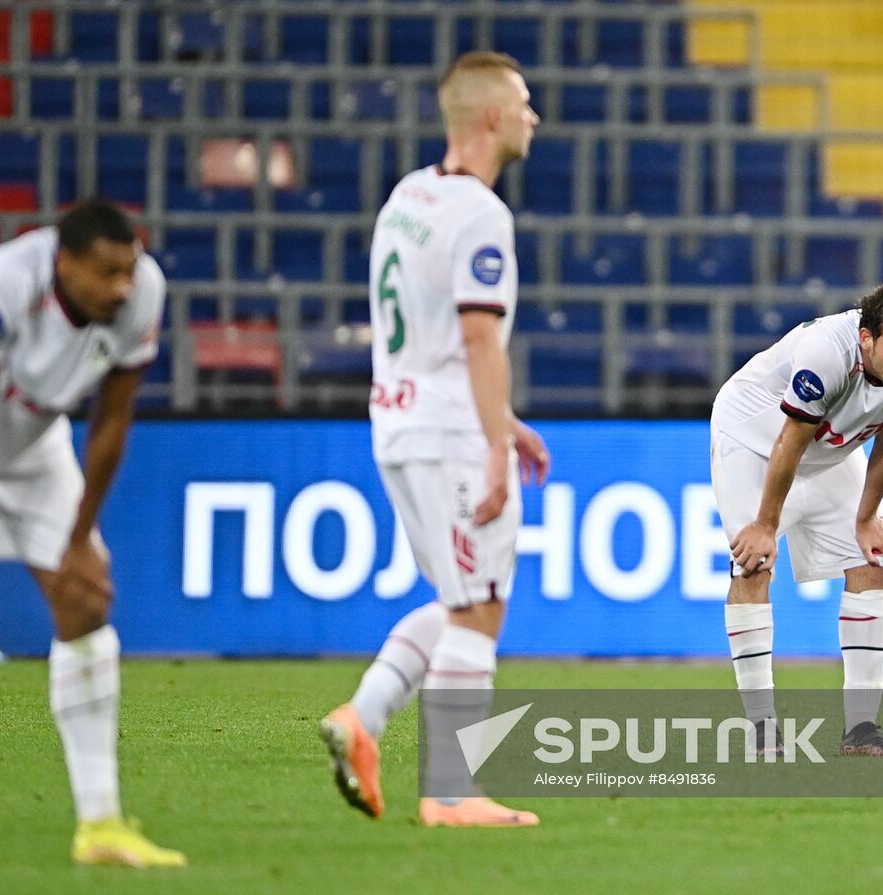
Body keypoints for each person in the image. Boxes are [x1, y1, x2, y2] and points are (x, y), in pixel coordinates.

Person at [0, 200, 184, 871]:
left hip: (32, 435)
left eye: (128, 271)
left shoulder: (143, 292)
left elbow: (112, 420)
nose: (121, 288)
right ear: (64, 263)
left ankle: (100, 821)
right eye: (106, 274)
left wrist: (80, 536)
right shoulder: (2, 288)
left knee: (86, 599)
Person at [318, 51, 549, 827]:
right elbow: (479, 337)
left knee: (459, 601)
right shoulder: (482, 214)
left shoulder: (408, 196)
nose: (532, 116)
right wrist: (491, 445)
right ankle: (451, 791)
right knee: (481, 604)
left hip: (400, 417)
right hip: (448, 433)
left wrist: (500, 420)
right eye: (522, 103)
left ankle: (364, 716)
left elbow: (426, 332)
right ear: (489, 116)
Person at [710, 278, 883, 757]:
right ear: (866, 339)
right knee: (753, 564)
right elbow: (789, 442)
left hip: (829, 451)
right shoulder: (826, 353)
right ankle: (762, 733)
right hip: (754, 442)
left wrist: (866, 518)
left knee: (872, 559)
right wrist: (764, 524)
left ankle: (861, 731)